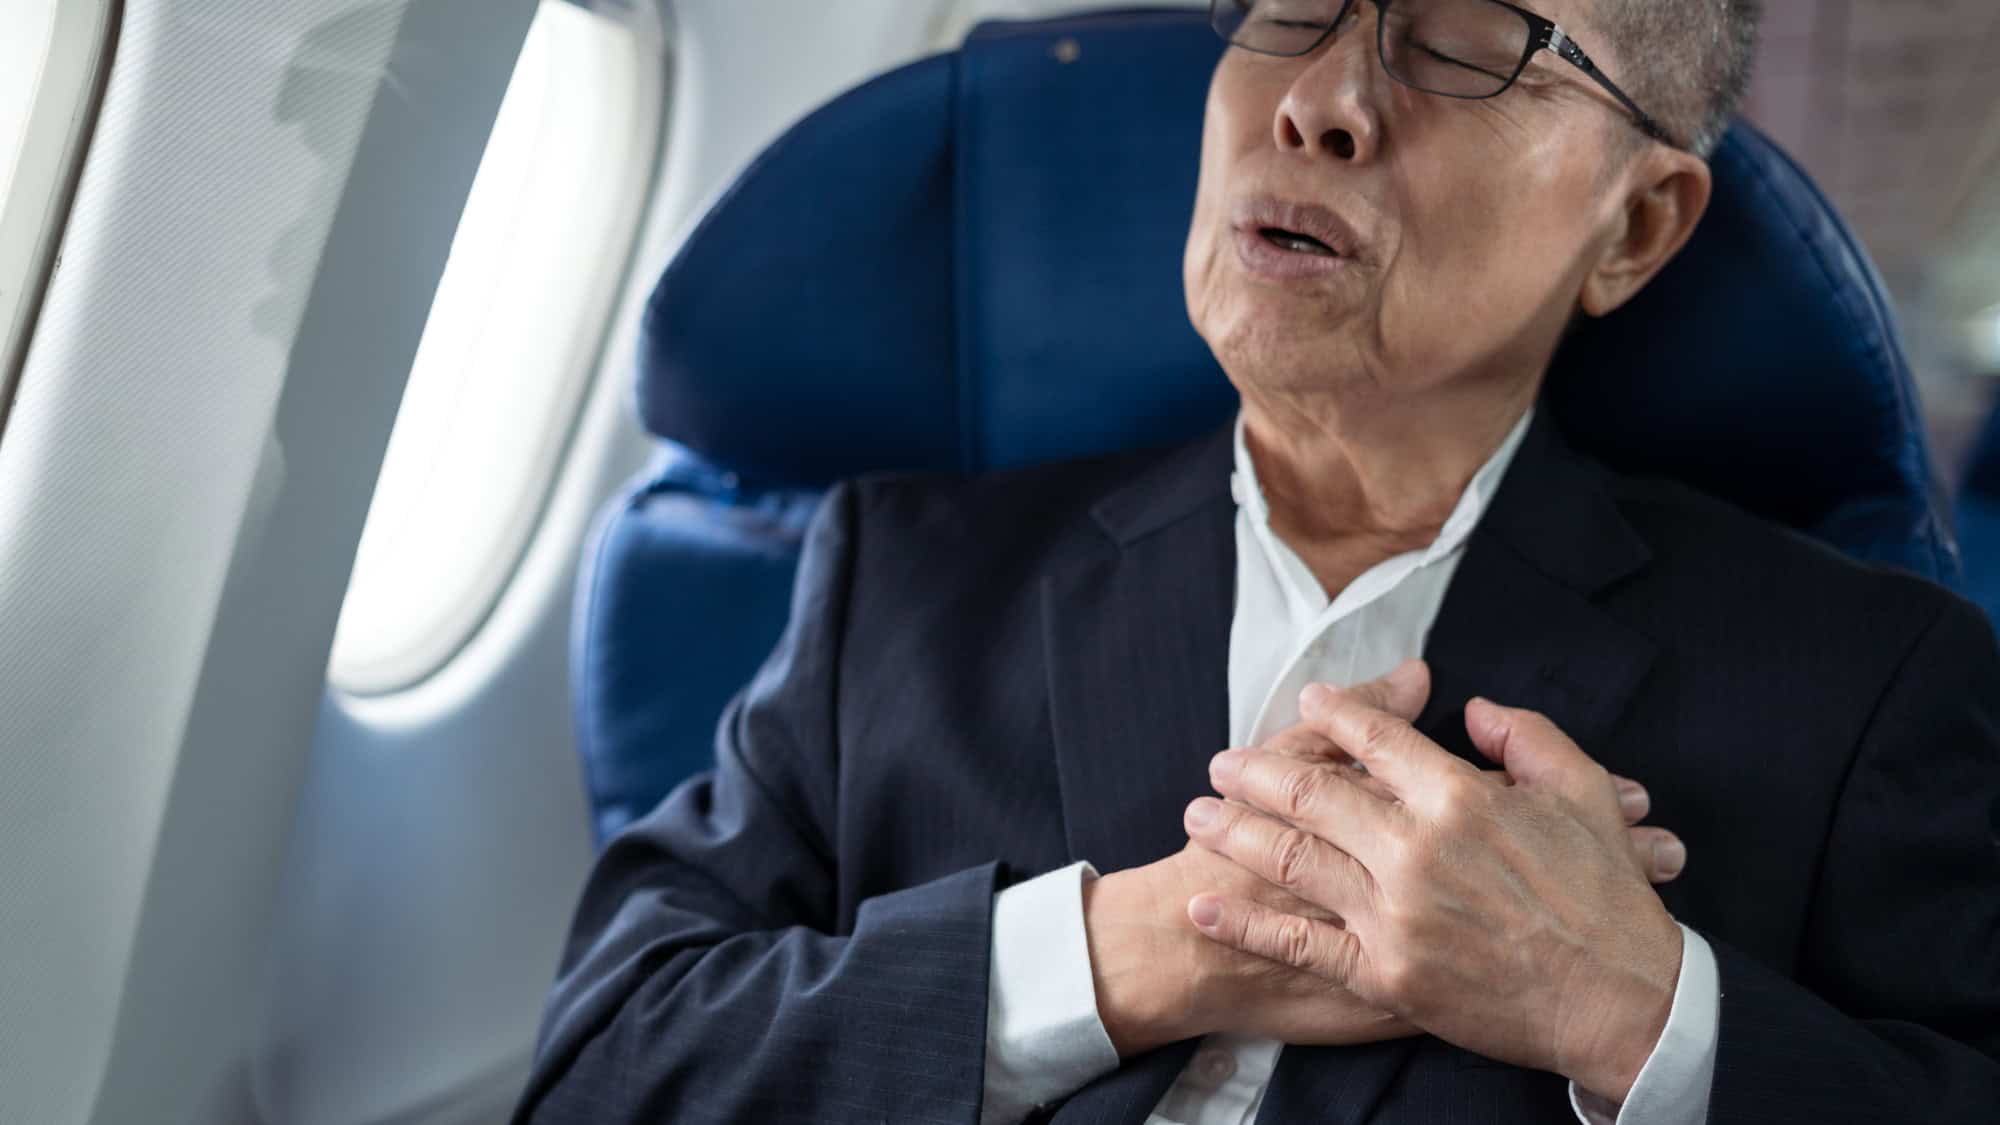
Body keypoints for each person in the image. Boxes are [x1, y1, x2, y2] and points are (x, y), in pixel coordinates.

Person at [514, 1, 2000, 1121]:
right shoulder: (902, 578)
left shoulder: (1869, 680)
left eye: (1466, 41)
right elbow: (600, 1067)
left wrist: (1636, 1008)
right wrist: (1132, 953)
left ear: (1636, 227)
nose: (1323, 102)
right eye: (1292, 4)